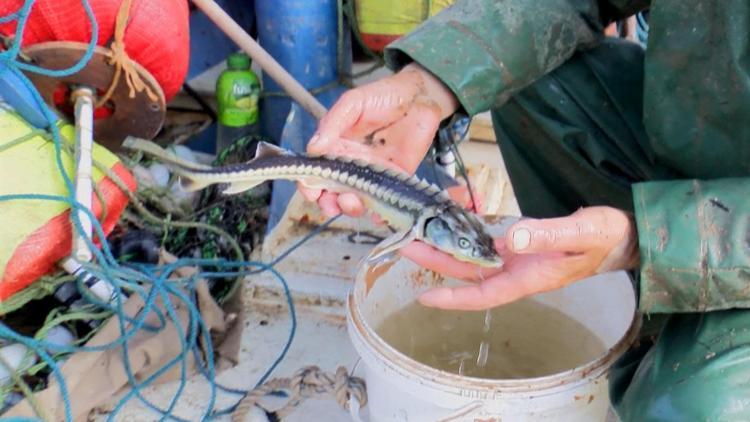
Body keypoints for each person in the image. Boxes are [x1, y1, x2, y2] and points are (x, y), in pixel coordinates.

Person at [297, 1, 750, 420]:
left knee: (689, 407)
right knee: (523, 73)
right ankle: (647, 310)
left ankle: (665, 344)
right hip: (694, 141)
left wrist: (645, 240)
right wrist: (430, 84)